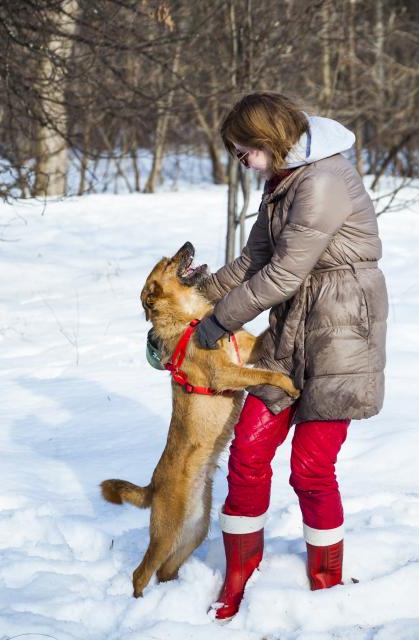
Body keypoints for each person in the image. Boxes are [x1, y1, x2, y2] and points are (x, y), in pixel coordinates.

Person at [196, 92, 388, 621]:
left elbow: (282, 275)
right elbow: (254, 259)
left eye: (243, 153)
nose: (242, 164)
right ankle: (241, 570)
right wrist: (199, 303)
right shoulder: (281, 181)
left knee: (310, 467)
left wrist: (219, 323)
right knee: (249, 452)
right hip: (290, 330)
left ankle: (326, 582)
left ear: (268, 141)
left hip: (342, 330)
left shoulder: (322, 180)